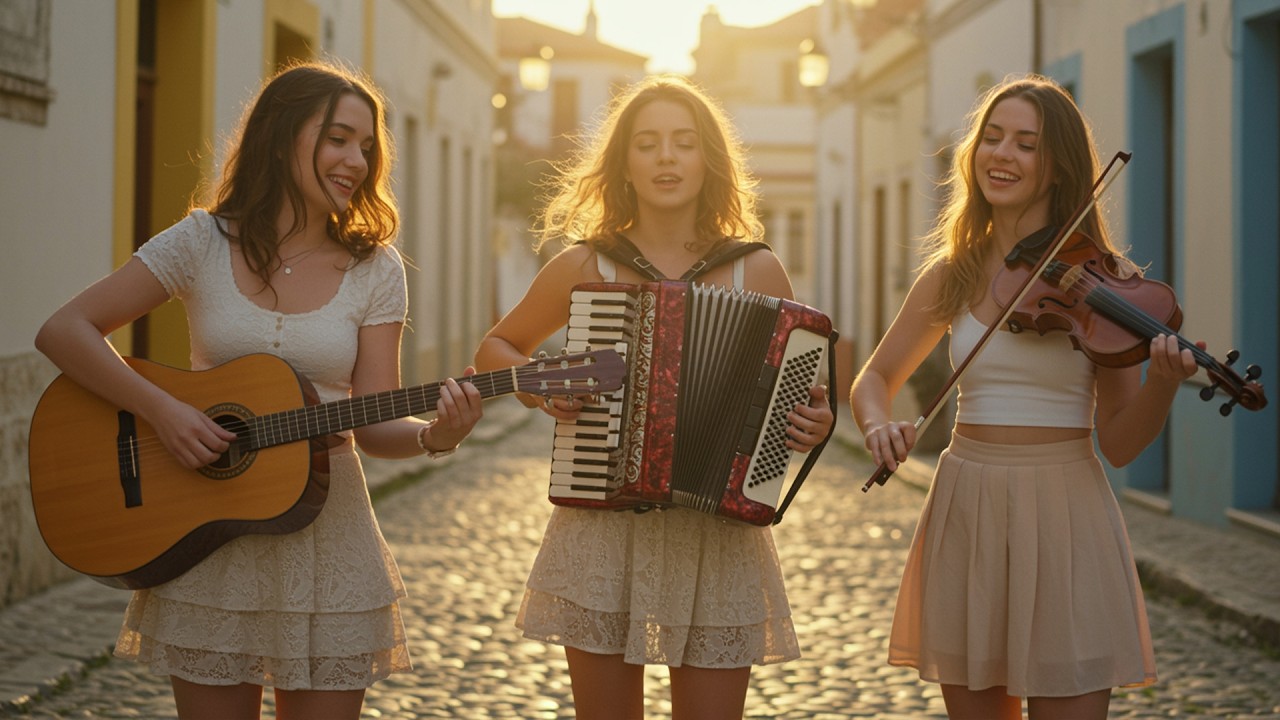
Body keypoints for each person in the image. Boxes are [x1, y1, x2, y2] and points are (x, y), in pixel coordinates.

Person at [34, 61, 483, 720]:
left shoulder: (375, 268)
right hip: (209, 539)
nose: (356, 160)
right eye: (338, 138)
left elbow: (376, 424)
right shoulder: (200, 242)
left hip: (329, 539)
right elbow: (63, 330)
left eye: (367, 146)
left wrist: (436, 437)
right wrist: (161, 412)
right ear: (280, 136)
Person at [474, 74, 834, 720]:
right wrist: (544, 384)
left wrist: (813, 420)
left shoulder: (757, 268)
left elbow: (809, 395)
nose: (666, 157)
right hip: (603, 532)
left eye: (683, 142)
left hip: (717, 539)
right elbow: (497, 350)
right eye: (647, 143)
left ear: (708, 160)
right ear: (624, 164)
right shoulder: (588, 265)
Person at [850, 73, 1202, 720]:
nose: (1002, 155)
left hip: (1065, 510)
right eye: (993, 137)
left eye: (1027, 144)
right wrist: (878, 427)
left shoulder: (1111, 286)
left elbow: (1120, 444)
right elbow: (874, 379)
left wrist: (1163, 386)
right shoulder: (953, 272)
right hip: (967, 505)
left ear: (1060, 166)